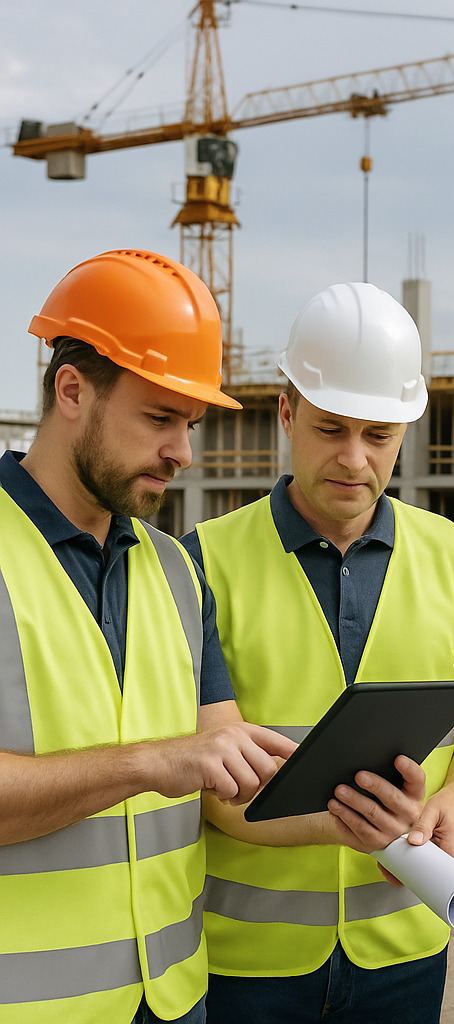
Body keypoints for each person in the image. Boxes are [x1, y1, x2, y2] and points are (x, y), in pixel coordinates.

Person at [181, 281, 454, 1023]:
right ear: (287, 413)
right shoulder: (202, 563)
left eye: (379, 436)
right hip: (249, 960)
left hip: (405, 950)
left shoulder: (453, 558)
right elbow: (201, 779)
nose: (353, 458)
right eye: (331, 428)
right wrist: (354, 824)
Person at [0, 249, 296, 1024]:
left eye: (189, 424)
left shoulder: (175, 571)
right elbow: (173, 762)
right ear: (72, 390)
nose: (183, 453)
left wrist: (359, 817)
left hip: (171, 1000)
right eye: (160, 418)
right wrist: (151, 762)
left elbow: (227, 783)